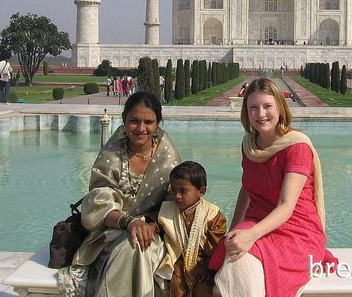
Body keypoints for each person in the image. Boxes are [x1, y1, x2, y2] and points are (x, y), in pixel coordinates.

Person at [212, 78, 337, 297]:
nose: (261, 114)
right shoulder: (249, 145)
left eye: (267, 106)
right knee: (234, 255)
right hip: (258, 223)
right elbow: (246, 190)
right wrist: (234, 231)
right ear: (246, 112)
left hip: (297, 232)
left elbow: (286, 205)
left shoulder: (296, 147)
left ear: (280, 107)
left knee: (238, 266)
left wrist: (250, 235)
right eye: (253, 107)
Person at [58, 91, 182, 297]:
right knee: (132, 246)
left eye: (148, 122)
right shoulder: (112, 153)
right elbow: (98, 201)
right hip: (111, 230)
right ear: (124, 119)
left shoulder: (167, 157)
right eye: (134, 121)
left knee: (138, 246)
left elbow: (175, 202)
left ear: (158, 123)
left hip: (152, 233)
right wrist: (129, 222)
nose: (141, 128)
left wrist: (151, 225)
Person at [156, 161, 227, 297]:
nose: (177, 196)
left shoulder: (212, 214)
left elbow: (217, 247)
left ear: (201, 192)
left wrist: (208, 268)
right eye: (174, 191)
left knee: (203, 290)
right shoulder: (167, 210)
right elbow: (157, 224)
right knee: (176, 289)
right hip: (179, 265)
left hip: (205, 267)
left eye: (183, 191)